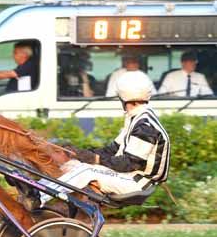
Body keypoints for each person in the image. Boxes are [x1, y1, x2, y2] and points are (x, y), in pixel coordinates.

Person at [40, 71, 170, 205]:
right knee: (73, 165)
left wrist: (95, 159)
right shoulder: (136, 118)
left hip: (137, 182)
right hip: (129, 176)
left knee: (85, 171)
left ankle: (39, 197)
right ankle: (35, 187)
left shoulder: (145, 126)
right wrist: (81, 153)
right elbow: (112, 150)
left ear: (122, 97)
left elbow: (127, 164)